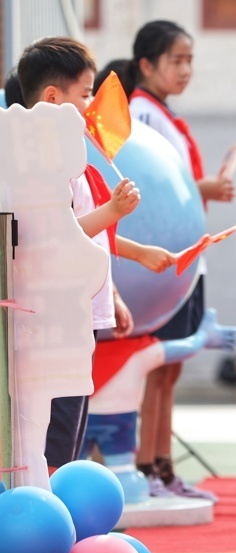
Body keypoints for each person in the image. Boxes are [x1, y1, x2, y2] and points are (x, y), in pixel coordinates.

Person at [15, 36, 174, 473]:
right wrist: (113, 211)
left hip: (76, 311)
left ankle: (57, 499)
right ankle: (50, 503)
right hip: (53, 315)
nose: (92, 105)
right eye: (86, 94)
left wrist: (116, 286)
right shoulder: (40, 164)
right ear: (53, 97)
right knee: (55, 428)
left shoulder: (70, 159)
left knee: (70, 420)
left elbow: (89, 234)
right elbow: (52, 234)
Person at [106, 20, 234, 499]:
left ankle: (160, 467)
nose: (185, 70)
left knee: (171, 366)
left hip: (184, 255)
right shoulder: (141, 113)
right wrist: (205, 189)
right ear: (146, 64)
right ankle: (146, 466)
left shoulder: (163, 114)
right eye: (175, 60)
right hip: (162, 258)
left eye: (189, 60)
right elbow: (148, 184)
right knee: (156, 365)